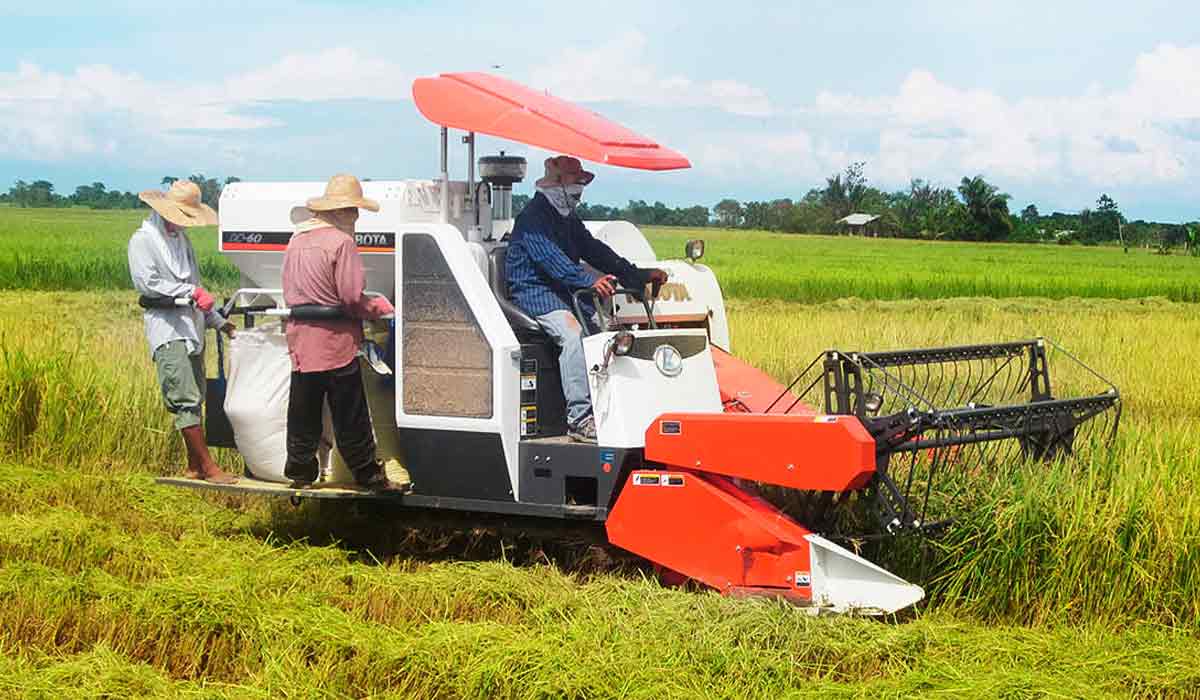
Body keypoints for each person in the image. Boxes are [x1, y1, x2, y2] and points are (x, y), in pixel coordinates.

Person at [505, 155, 668, 443]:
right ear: (557, 184)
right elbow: (551, 260)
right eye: (575, 183)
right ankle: (579, 419)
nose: (580, 189)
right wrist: (589, 281)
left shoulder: (568, 219)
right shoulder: (532, 218)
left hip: (564, 290)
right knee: (574, 335)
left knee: (605, 335)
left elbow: (595, 251)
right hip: (534, 292)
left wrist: (637, 275)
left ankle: (611, 406)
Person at [281, 174, 410, 493]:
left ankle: (300, 471)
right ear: (341, 212)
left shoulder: (296, 240)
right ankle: (368, 475)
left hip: (300, 341)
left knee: (303, 410)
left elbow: (288, 291)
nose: (356, 217)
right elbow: (352, 297)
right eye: (353, 210)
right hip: (335, 343)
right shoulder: (342, 243)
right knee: (350, 415)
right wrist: (380, 308)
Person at [128, 179, 238, 484]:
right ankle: (210, 468)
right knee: (184, 397)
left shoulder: (182, 241)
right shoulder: (143, 241)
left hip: (192, 326)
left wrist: (219, 322)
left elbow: (197, 288)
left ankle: (194, 467)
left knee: (197, 396)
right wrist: (189, 292)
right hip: (167, 329)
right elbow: (148, 284)